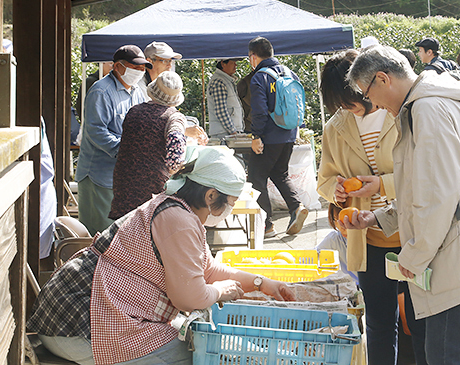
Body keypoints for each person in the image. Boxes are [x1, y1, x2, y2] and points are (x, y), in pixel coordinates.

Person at [27, 146, 295, 365]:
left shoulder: (176, 210)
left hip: (72, 315)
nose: (231, 210)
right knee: (200, 353)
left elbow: (208, 270)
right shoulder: (179, 219)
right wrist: (219, 291)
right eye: (231, 202)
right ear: (211, 195)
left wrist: (262, 283)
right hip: (80, 323)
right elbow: (191, 298)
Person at [344, 45, 460, 364]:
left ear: (383, 78)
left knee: (445, 354)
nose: (374, 104)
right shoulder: (432, 103)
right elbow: (426, 189)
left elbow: (438, 195)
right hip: (455, 244)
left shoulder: (427, 109)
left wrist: (416, 254)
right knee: (445, 350)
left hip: (452, 251)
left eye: (369, 93)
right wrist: (379, 218)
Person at [317, 49, 426, 365]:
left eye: (348, 98)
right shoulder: (336, 127)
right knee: (378, 322)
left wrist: (383, 185)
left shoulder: (400, 112)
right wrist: (334, 189)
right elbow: (324, 178)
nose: (346, 108)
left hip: (411, 233)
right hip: (367, 239)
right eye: (338, 103)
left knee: (420, 320)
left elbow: (421, 173)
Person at [109, 71, 208, 220]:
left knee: (124, 228)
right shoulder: (174, 118)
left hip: (124, 182)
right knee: (149, 231)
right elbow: (175, 159)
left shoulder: (134, 111)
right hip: (152, 187)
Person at [76, 45, 149, 235]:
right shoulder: (100, 91)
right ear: (117, 66)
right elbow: (95, 131)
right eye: (136, 68)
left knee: (116, 235)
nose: (140, 72)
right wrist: (125, 152)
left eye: (142, 68)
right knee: (97, 235)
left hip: (122, 176)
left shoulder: (137, 92)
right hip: (99, 176)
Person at [247, 37, 308, 238]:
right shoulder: (290, 73)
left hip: (269, 137)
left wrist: (256, 135)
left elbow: (259, 111)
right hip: (289, 134)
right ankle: (296, 207)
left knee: (256, 177)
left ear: (253, 57)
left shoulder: (259, 77)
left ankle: (266, 226)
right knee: (279, 173)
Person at [207, 59, 245, 142]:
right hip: (224, 135)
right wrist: (233, 132)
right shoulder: (219, 82)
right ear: (223, 64)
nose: (236, 65)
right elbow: (221, 111)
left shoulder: (224, 80)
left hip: (227, 134)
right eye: (233, 62)